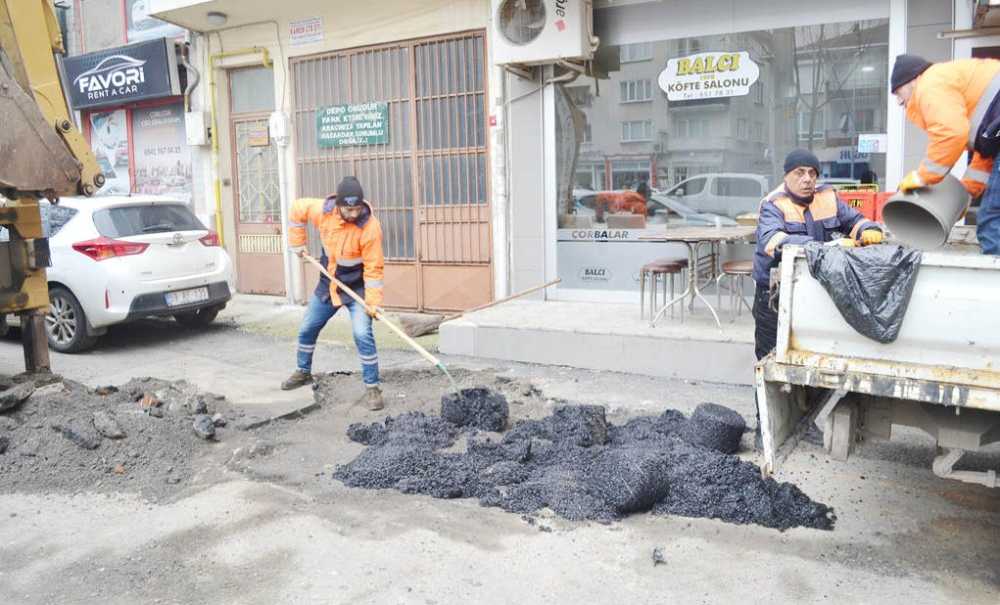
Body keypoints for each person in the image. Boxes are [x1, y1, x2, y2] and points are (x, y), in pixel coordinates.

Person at [752, 149, 884, 361]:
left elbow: (854, 219)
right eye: (800, 173)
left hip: (811, 286)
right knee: (771, 359)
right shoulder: (773, 204)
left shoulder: (827, 197)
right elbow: (772, 242)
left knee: (807, 353)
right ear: (786, 176)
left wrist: (868, 229)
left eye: (812, 173)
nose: (807, 179)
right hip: (774, 294)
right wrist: (830, 246)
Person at [282, 176, 386, 411]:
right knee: (308, 327)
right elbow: (297, 209)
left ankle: (373, 388)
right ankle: (303, 371)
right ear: (338, 205)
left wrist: (373, 303)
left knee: (362, 334)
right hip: (329, 283)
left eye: (357, 208)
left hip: (357, 287)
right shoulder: (323, 212)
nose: (353, 214)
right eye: (348, 209)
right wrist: (297, 242)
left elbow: (374, 268)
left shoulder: (370, 227)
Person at [891, 53, 1000, 254]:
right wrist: (966, 193)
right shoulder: (948, 83)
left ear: (912, 80)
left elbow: (951, 134)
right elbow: (986, 155)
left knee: (993, 219)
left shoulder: (930, 84)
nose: (900, 101)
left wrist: (921, 177)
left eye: (898, 93)